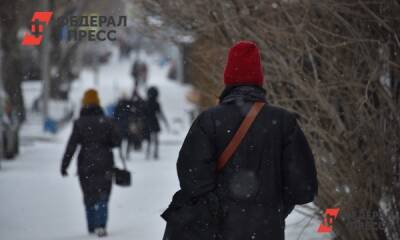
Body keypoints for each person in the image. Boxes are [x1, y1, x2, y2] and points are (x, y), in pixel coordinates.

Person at [161, 41, 318, 240]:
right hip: (268, 230)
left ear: (228, 78)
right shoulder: (283, 122)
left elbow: (192, 179)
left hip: (219, 231)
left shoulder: (209, 120)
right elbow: (303, 188)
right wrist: (274, 209)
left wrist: (219, 209)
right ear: (259, 79)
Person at [60, 89, 121, 237]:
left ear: (84, 102)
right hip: (105, 162)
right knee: (103, 194)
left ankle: (91, 226)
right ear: (98, 102)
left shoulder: (79, 123)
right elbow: (117, 141)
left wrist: (65, 165)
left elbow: (72, 145)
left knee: (89, 195)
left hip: (85, 164)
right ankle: (101, 225)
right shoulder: (107, 121)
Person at [145, 86, 169, 159]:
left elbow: (142, 113)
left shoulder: (146, 102)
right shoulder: (156, 103)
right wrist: (165, 122)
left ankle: (148, 152)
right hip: (154, 121)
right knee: (156, 139)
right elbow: (160, 113)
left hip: (147, 121)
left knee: (149, 138)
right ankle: (155, 153)